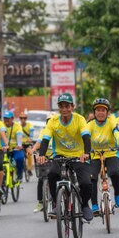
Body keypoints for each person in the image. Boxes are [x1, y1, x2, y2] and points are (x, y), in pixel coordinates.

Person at [36, 93, 93, 221]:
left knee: (86, 183)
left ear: (72, 107)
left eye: (67, 106)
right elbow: (45, 139)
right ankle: (56, 204)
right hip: (60, 156)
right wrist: (42, 155)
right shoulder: (53, 122)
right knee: (52, 175)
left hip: (78, 156)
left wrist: (87, 153)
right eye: (61, 106)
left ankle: (84, 205)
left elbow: (86, 137)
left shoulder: (79, 119)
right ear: (58, 108)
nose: (64, 109)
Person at [86, 98, 119, 214]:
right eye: (98, 110)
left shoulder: (112, 122)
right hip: (95, 155)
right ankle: (94, 204)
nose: (100, 112)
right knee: (92, 177)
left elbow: (117, 133)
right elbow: (85, 137)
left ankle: (117, 196)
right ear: (94, 113)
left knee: (114, 172)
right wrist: (85, 150)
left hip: (111, 153)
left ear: (107, 112)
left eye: (103, 110)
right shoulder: (90, 125)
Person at [31, 116, 54, 213]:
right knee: (41, 179)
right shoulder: (44, 132)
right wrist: (33, 150)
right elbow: (39, 142)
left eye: (52, 121)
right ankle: (40, 202)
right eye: (48, 121)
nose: (50, 123)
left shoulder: (59, 131)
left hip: (56, 158)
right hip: (44, 158)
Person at [3, 111, 25, 181]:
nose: (6, 120)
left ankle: (19, 173)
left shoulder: (17, 126)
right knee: (0, 162)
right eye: (5, 118)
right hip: (4, 148)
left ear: (12, 118)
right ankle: (2, 179)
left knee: (20, 158)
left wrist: (19, 145)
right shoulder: (1, 125)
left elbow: (19, 135)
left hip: (15, 148)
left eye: (8, 119)